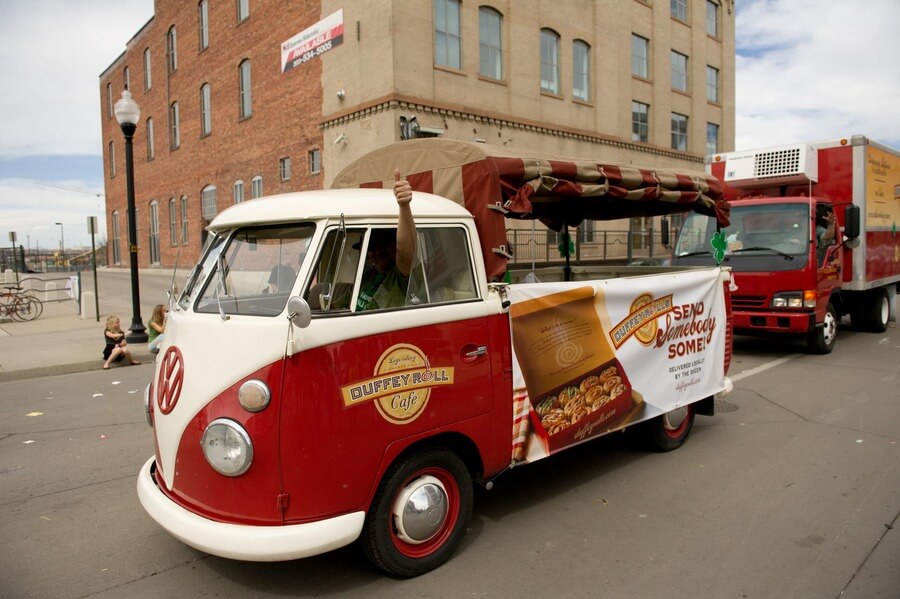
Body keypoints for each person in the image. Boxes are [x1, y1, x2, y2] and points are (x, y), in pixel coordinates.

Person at [356, 170, 416, 311]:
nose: (377, 252)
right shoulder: (366, 277)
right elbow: (338, 305)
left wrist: (404, 206)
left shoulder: (400, 278)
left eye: (383, 246)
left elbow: (406, 253)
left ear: (394, 246)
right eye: (371, 247)